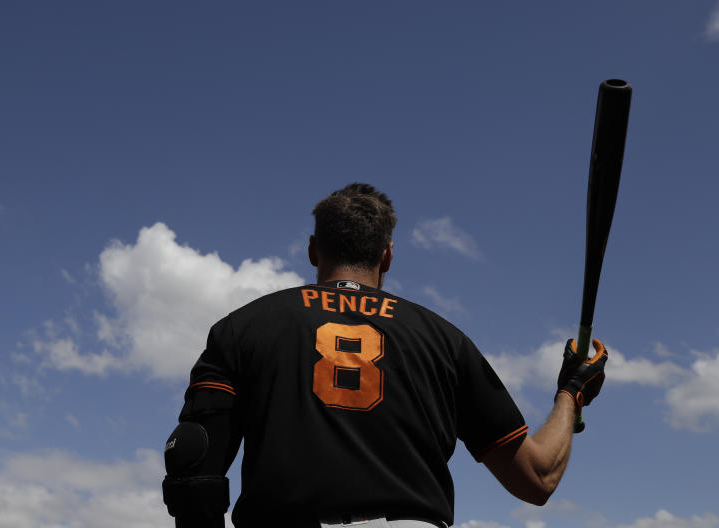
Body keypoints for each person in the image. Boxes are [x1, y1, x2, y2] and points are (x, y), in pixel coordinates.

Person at [162, 183, 608, 528]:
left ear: (314, 249)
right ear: (387, 255)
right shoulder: (446, 342)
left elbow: (194, 477)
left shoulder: (243, 327)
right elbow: (536, 479)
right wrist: (572, 392)